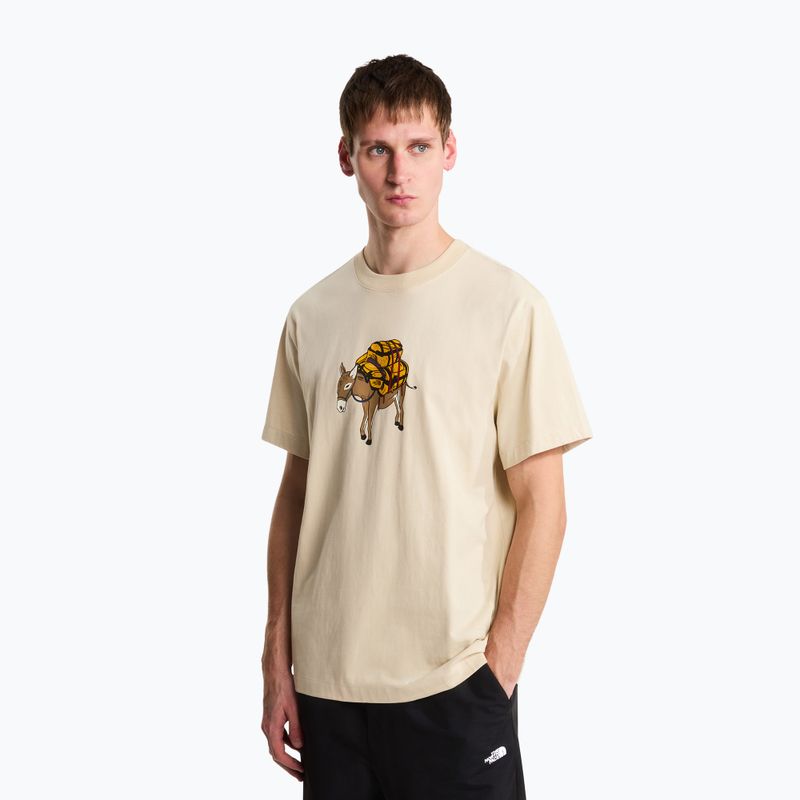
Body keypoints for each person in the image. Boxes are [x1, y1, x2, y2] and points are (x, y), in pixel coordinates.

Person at [259, 54, 593, 800]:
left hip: (454, 687)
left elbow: (544, 502)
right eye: (377, 149)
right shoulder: (311, 317)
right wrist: (277, 656)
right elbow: (296, 495)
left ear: (450, 151)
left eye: (417, 146)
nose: (399, 172)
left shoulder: (508, 306)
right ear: (347, 157)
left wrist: (497, 672)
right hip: (328, 690)